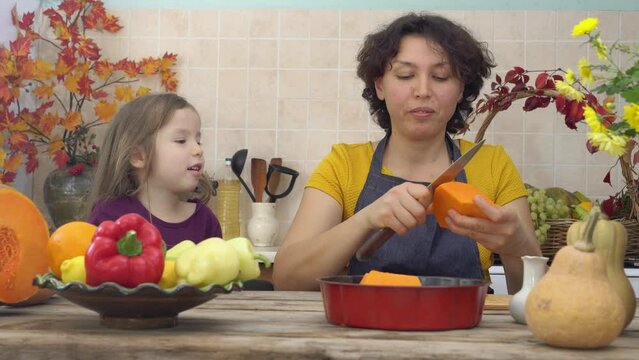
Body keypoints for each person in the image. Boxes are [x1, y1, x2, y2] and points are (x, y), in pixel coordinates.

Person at [273, 13, 541, 293]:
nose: (423, 91)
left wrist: (517, 247)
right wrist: (365, 220)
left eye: (440, 76)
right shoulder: (344, 165)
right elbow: (287, 278)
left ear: (461, 88)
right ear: (379, 85)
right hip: (366, 331)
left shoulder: (492, 165)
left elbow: (537, 298)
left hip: (463, 333)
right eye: (405, 75)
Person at [86, 93, 222, 248]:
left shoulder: (206, 222)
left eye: (198, 141)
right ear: (137, 156)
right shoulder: (108, 215)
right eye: (181, 141)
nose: (198, 149)